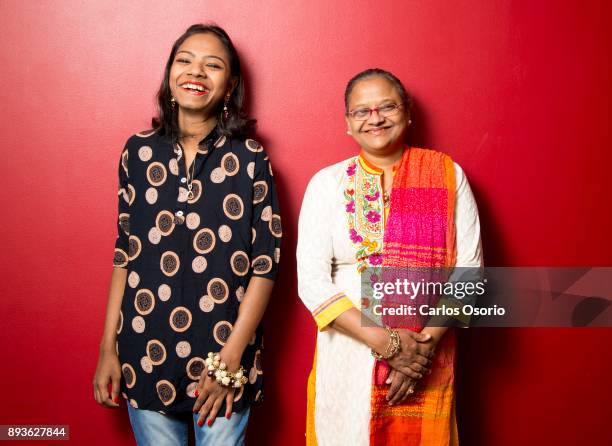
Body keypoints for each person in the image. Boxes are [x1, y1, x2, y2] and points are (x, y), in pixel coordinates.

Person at [93, 23, 281, 446]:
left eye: (212, 65)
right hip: (145, 351)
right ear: (169, 73)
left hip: (224, 358)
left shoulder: (250, 159)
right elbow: (125, 253)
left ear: (230, 84)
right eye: (185, 61)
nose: (196, 72)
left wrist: (230, 361)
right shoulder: (137, 152)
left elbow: (265, 267)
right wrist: (109, 346)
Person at [297, 68, 482, 445]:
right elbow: (312, 283)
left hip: (425, 356)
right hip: (347, 357)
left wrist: (418, 354)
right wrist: (386, 343)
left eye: (386, 106)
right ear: (347, 123)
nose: (375, 118)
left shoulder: (446, 176)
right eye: (361, 111)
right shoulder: (327, 184)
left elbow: (469, 275)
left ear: (407, 112)